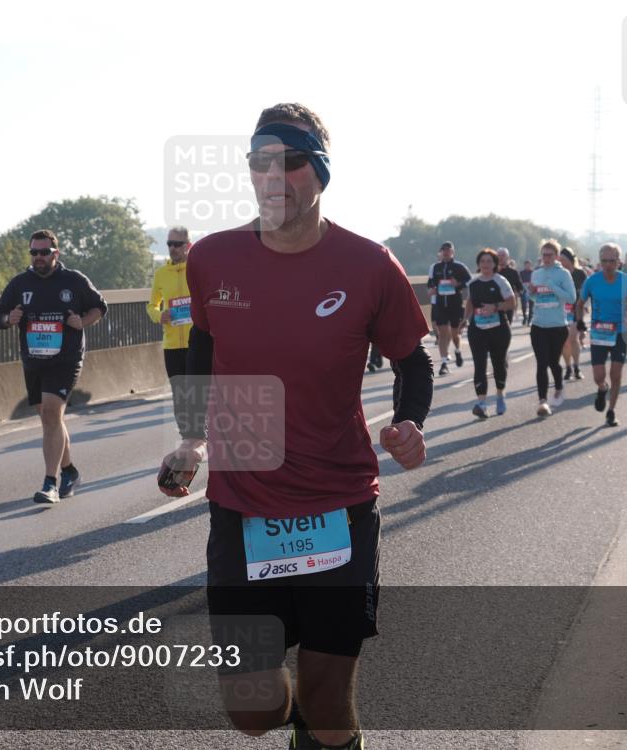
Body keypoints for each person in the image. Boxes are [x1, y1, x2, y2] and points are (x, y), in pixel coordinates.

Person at [158, 103, 433, 750]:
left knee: (328, 700)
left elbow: (411, 360)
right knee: (253, 712)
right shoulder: (214, 259)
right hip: (244, 509)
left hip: (338, 509)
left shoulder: (368, 266)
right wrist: (193, 435)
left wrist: (410, 422)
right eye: (260, 162)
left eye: (293, 162)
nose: (274, 176)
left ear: (322, 173)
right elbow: (202, 339)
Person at [0, 229, 107, 504]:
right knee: (49, 417)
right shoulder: (20, 283)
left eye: (44, 252)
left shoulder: (74, 280)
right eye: (34, 252)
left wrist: (82, 322)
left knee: (53, 412)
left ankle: (50, 483)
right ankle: (69, 471)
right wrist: (10, 318)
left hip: (66, 359)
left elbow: (99, 307)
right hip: (34, 359)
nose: (38, 257)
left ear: (56, 253)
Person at [577, 243, 627, 427]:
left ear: (618, 262)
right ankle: (602, 388)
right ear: (600, 261)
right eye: (604, 261)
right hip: (599, 334)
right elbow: (580, 303)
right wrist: (580, 320)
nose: (607, 265)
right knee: (599, 376)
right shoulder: (592, 281)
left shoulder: (626, 281)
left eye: (611, 261)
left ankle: (611, 411)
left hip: (620, 333)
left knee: (616, 374)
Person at [146, 227, 192, 425]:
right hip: (172, 345)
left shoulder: (198, 268)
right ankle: (187, 437)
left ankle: (204, 437)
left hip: (197, 342)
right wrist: (159, 315)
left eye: (177, 244)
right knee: (180, 396)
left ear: (187, 246)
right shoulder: (161, 274)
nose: (172, 248)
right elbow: (151, 305)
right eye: (169, 244)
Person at [465, 248, 516, 418]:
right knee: (479, 365)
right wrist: (464, 320)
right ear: (478, 264)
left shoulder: (500, 281)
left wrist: (494, 307)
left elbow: (511, 303)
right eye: (482, 261)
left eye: (489, 261)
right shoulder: (473, 283)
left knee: (499, 364)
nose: (485, 264)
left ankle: (500, 394)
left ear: (495, 264)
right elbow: (470, 303)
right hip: (477, 330)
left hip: (499, 329)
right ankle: (482, 403)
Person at [528, 240, 576, 416]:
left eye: (549, 255)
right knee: (541, 363)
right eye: (544, 255)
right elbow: (534, 298)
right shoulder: (536, 274)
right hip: (538, 325)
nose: (546, 258)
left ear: (556, 256)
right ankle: (542, 401)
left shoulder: (563, 274)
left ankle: (558, 385)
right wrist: (531, 293)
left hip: (557, 326)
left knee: (552, 363)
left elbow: (571, 298)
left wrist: (553, 286)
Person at [426, 241, 470, 375]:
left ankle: (457, 350)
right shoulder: (435, 267)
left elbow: (469, 281)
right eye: (443, 250)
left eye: (448, 250)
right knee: (442, 334)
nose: (445, 252)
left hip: (454, 304)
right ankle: (444, 363)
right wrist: (432, 289)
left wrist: (458, 284)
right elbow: (430, 283)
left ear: (452, 252)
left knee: (455, 334)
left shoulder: (459, 267)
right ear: (441, 252)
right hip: (440, 304)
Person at [559, 247, 587, 381]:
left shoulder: (580, 274)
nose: (561, 262)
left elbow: (586, 293)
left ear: (570, 260)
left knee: (573, 338)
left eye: (564, 260)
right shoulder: (558, 273)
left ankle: (577, 367)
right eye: (560, 260)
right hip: (561, 311)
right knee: (564, 341)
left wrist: (584, 308)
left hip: (576, 310)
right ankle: (568, 367)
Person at [496, 247, 524, 325]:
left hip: (507, 304)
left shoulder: (513, 272)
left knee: (506, 327)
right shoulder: (492, 272)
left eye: (503, 255)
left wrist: (517, 293)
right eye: (499, 255)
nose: (500, 257)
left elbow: (520, 288)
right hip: (493, 304)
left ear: (507, 257)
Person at [520, 259, 534, 325]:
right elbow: (519, 282)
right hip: (524, 290)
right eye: (526, 265)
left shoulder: (533, 272)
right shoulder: (521, 273)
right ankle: (524, 317)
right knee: (523, 305)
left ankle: (530, 319)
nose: (527, 266)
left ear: (530, 265)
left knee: (531, 306)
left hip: (531, 290)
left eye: (528, 265)